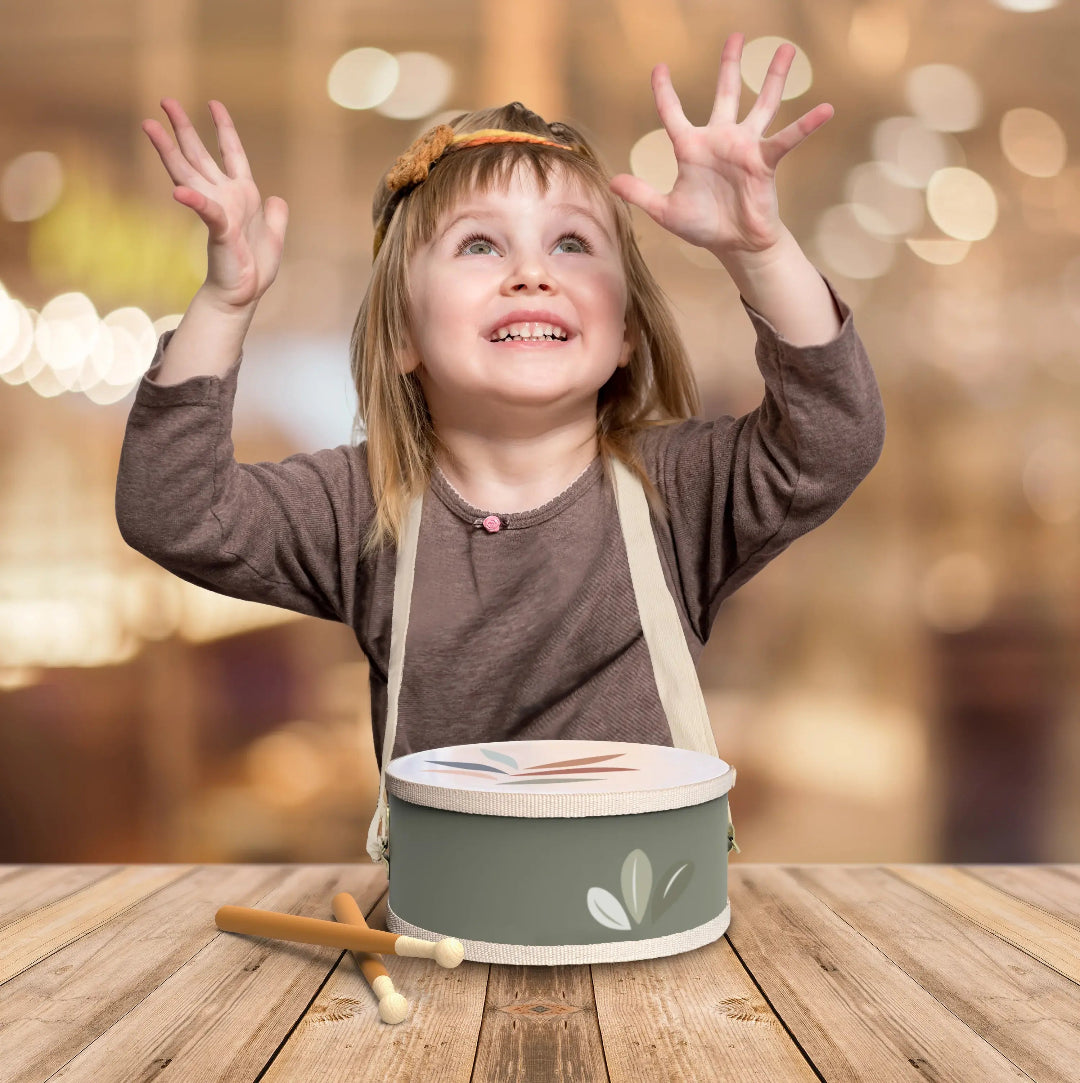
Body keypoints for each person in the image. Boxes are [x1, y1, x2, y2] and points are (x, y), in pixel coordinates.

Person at [117, 33, 885, 866]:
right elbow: (173, 508)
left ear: (626, 332)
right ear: (402, 334)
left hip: (648, 933)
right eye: (480, 245)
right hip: (451, 933)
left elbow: (833, 437)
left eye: (572, 243)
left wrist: (760, 253)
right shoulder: (362, 507)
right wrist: (226, 304)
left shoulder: (677, 491)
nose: (530, 272)